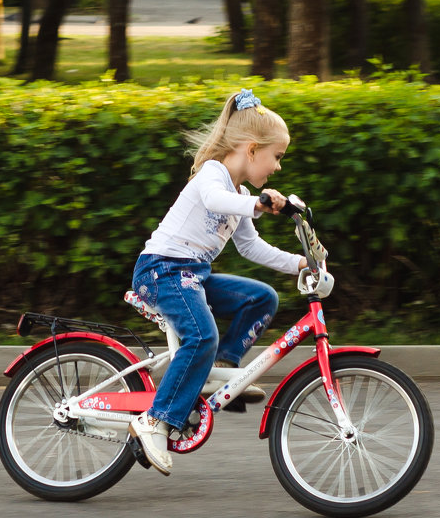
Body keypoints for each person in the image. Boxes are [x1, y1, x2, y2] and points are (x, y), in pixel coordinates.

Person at [127, 88, 307, 475]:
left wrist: (299, 263)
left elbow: (251, 248)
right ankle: (156, 421)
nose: (277, 168)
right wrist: (257, 205)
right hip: (162, 270)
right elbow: (212, 201)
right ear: (252, 149)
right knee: (201, 336)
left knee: (260, 298)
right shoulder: (214, 175)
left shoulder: (240, 193)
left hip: (192, 275)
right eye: (277, 157)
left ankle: (223, 372)